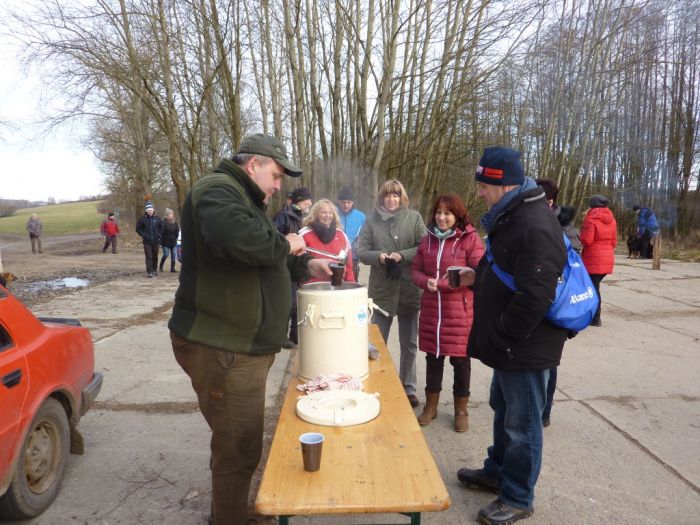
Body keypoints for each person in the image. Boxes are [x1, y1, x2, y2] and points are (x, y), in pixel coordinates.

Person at [167, 133, 331, 525]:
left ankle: (233, 511)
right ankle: (229, 519)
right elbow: (242, 242)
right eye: (275, 176)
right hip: (221, 344)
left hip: (239, 344)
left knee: (235, 440)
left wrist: (305, 265)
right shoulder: (216, 191)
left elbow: (265, 255)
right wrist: (289, 243)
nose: (278, 187)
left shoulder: (244, 199)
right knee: (238, 446)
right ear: (252, 164)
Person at [457, 147, 567, 525]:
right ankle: (497, 472)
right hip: (511, 345)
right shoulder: (513, 215)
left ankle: (519, 497)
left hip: (525, 345)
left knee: (523, 424)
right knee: (504, 411)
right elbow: (510, 269)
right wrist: (478, 277)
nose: (480, 193)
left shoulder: (534, 223)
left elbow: (536, 295)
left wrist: (503, 335)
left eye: (484, 185)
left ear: (503, 184)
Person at [410, 193, 484, 432]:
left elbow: (476, 273)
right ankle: (430, 407)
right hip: (433, 310)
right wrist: (425, 281)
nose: (442, 218)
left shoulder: (470, 240)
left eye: (447, 213)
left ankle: (461, 410)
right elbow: (416, 270)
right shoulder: (427, 240)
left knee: (461, 362)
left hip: (459, 312)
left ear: (457, 215)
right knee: (433, 358)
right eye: (439, 213)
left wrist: (441, 284)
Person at [357, 179, 426, 407]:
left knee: (409, 344)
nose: (392, 199)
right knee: (376, 344)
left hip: (408, 289)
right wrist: (380, 256)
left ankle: (409, 388)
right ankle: (378, 384)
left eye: (396, 195)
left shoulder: (414, 218)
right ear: (382, 197)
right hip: (382, 292)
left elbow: (424, 247)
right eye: (388, 195)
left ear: (401, 197)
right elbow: (361, 251)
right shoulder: (371, 220)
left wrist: (401, 255)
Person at [535, 178, 581, 427]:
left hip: (557, 307)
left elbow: (570, 267)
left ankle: (544, 411)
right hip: (541, 304)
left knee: (548, 363)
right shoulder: (537, 225)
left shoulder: (564, 231)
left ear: (548, 202)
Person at [274, 186, 313, 348]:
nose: (310, 204)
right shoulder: (283, 216)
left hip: (299, 265)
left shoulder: (305, 217)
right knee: (288, 302)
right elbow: (274, 238)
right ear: (299, 201)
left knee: (299, 301)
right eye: (307, 201)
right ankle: (280, 336)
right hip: (286, 264)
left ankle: (295, 335)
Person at [581, 195, 617, 327]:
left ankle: (595, 318)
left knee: (592, 288)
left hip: (593, 258)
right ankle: (594, 317)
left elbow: (587, 240)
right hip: (607, 258)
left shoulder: (590, 220)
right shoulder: (612, 220)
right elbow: (614, 242)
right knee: (594, 286)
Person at [299, 199, 356, 284]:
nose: (327, 215)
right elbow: (299, 264)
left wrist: (351, 283)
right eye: (324, 212)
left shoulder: (341, 234)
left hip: (337, 286)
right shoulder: (304, 234)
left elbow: (348, 265)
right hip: (313, 287)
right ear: (316, 214)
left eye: (330, 213)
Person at [337, 187, 366, 280]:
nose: (346, 205)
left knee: (351, 281)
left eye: (349, 202)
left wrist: (361, 250)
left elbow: (365, 236)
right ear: (339, 202)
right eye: (343, 202)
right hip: (335, 255)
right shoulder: (333, 214)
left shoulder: (361, 216)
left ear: (353, 203)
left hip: (353, 256)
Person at [135, 202, 165, 278]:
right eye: (148, 211)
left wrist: (159, 235)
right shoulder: (142, 219)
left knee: (155, 256)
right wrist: (143, 235)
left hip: (156, 241)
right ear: (146, 211)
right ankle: (149, 271)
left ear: (153, 210)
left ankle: (155, 270)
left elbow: (162, 228)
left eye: (151, 210)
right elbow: (138, 229)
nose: (150, 212)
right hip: (147, 241)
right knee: (149, 256)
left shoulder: (157, 218)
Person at [159, 208, 180, 273]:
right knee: (166, 254)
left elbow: (177, 231)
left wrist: (176, 238)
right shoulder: (163, 223)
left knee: (174, 255)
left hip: (173, 241)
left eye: (172, 214)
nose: (172, 215)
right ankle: (161, 266)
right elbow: (161, 232)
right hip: (165, 242)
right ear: (167, 215)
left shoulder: (175, 223)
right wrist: (161, 240)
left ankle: (172, 268)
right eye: (170, 214)